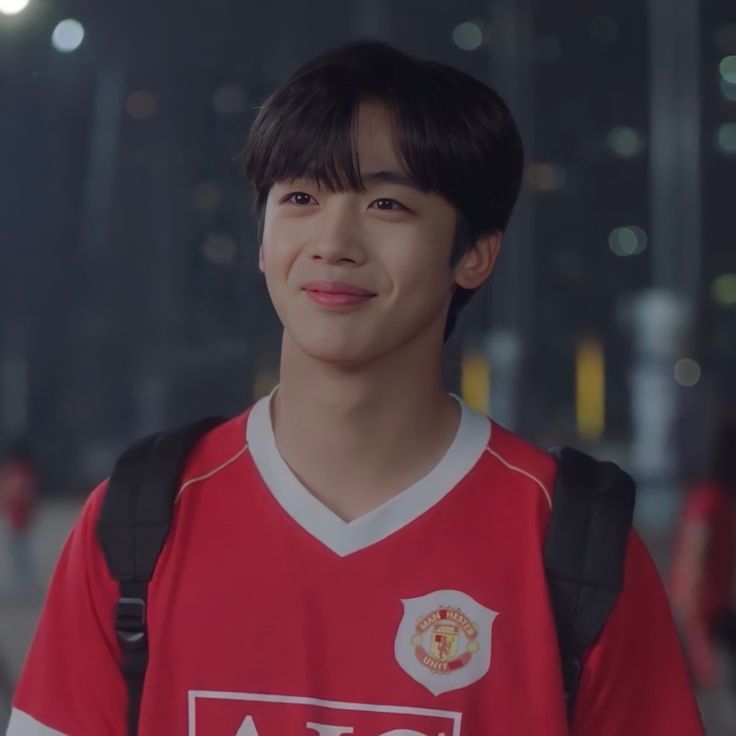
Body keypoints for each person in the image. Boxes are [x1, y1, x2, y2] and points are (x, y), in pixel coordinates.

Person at [7, 41, 703, 735]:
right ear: (262, 237)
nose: (333, 241)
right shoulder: (137, 522)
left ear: (474, 254)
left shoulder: (571, 540)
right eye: (302, 197)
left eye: (388, 204)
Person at [670, 417, 736, 693]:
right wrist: (689, 616)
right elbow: (694, 555)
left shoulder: (719, 501)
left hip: (712, 609)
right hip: (701, 613)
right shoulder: (710, 501)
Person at [0, 439, 38, 597]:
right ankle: (24, 582)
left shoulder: (17, 472)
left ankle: (24, 584)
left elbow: (16, 493)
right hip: (19, 517)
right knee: (19, 552)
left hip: (18, 518)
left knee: (19, 553)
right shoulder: (23, 472)